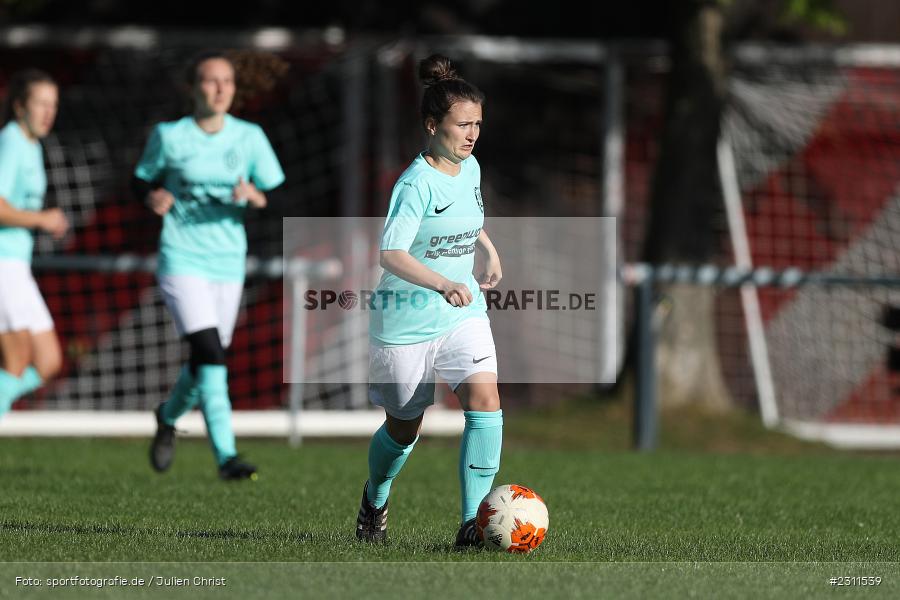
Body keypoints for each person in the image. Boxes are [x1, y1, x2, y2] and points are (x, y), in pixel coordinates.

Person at [356, 54, 503, 547]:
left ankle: (472, 524)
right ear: (432, 125)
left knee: (485, 403)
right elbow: (390, 253)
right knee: (403, 427)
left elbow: (469, 216)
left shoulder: (472, 167)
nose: (473, 134)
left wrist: (487, 249)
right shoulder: (414, 184)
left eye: (477, 124)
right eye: (463, 124)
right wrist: (441, 282)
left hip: (463, 315)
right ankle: (376, 497)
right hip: (405, 321)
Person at [133, 51, 285, 480]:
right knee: (210, 352)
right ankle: (226, 456)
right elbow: (140, 179)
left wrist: (255, 197)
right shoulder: (170, 135)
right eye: (210, 80)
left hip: (227, 263)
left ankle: (167, 416)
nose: (219, 89)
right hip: (181, 257)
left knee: (206, 361)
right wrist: (151, 196)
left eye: (227, 82)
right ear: (193, 87)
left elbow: (275, 195)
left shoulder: (250, 137)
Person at [0, 69, 68, 419]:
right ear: (19, 106)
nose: (48, 112)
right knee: (15, 362)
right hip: (2, 264)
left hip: (17, 266)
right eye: (40, 103)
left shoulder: (32, 145)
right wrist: (42, 219)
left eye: (53, 105)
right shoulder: (11, 140)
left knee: (48, 361)